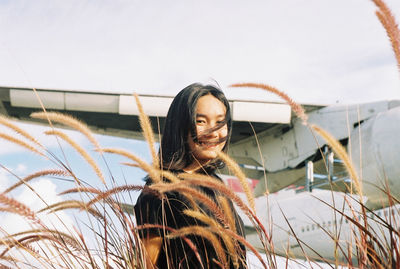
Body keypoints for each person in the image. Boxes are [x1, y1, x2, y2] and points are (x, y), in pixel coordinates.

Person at [134, 83, 247, 268]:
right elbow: (145, 265)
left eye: (220, 122)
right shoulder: (161, 189)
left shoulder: (218, 187)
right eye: (201, 121)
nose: (213, 132)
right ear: (180, 127)